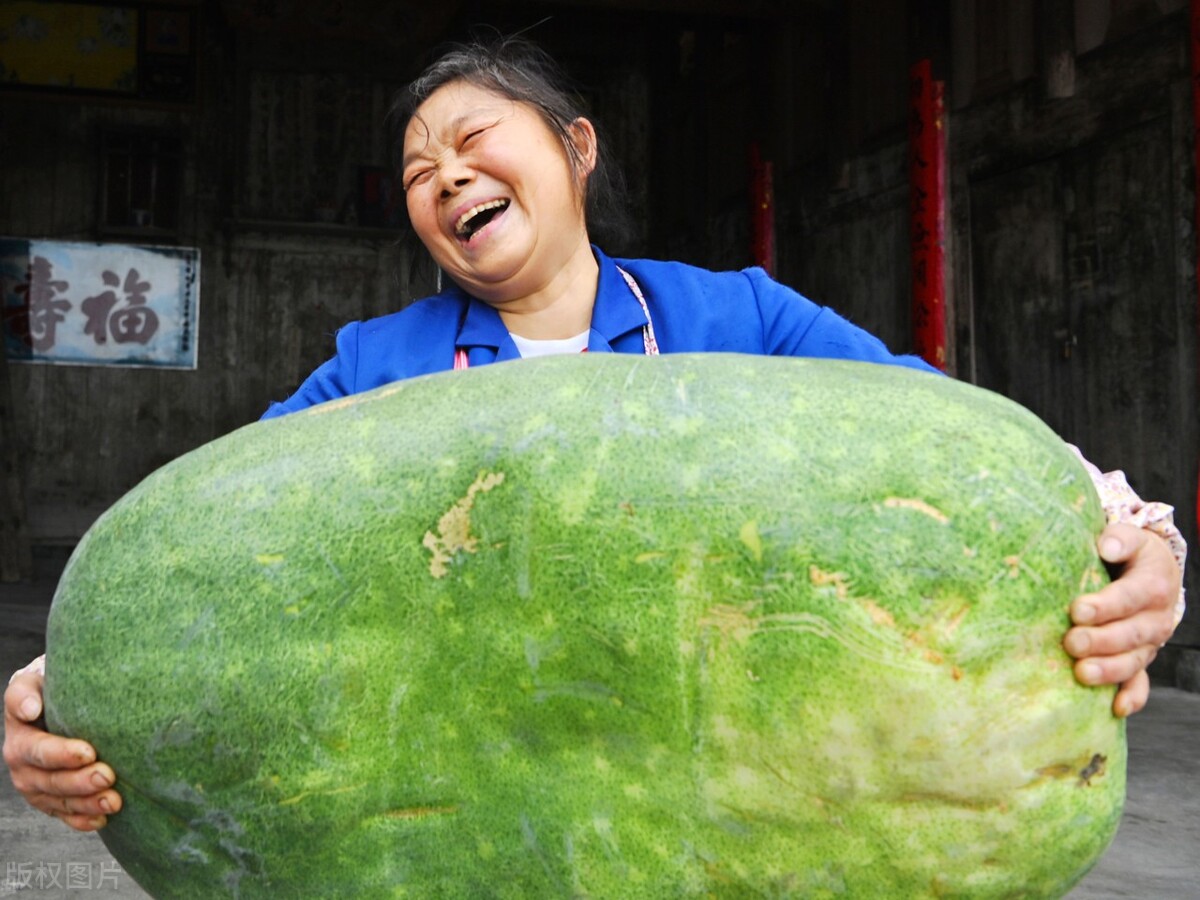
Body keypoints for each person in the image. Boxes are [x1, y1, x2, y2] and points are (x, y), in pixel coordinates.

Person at [4, 35, 1186, 833]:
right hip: (475, 806)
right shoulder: (374, 368)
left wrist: (1135, 539)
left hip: (725, 800)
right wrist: (68, 691)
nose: (445, 177)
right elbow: (211, 550)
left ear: (576, 148)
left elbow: (948, 433)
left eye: (474, 139)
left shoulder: (737, 318)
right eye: (417, 172)